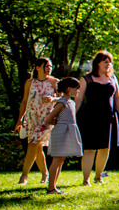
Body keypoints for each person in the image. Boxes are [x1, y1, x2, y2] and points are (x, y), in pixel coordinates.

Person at [75, 51, 119, 186]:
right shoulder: (86, 79)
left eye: (109, 62)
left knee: (105, 148)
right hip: (90, 117)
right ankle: (86, 179)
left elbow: (117, 98)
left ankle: (98, 176)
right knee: (90, 149)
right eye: (105, 61)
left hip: (108, 118)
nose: (108, 64)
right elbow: (79, 99)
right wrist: (72, 115)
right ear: (97, 63)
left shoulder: (113, 79)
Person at [15, 57, 56, 185]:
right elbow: (24, 101)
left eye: (50, 66)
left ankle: (24, 176)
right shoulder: (29, 82)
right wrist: (19, 120)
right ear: (37, 67)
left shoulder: (54, 82)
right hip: (32, 118)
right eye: (46, 66)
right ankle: (45, 174)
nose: (48, 68)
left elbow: (63, 99)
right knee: (37, 148)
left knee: (32, 144)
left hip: (47, 118)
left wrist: (52, 99)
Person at [40, 77, 83, 194]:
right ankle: (50, 188)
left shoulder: (71, 103)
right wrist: (57, 122)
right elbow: (49, 118)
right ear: (69, 89)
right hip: (61, 133)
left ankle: (54, 186)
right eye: (76, 89)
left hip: (68, 132)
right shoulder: (61, 103)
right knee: (57, 159)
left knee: (60, 160)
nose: (78, 91)